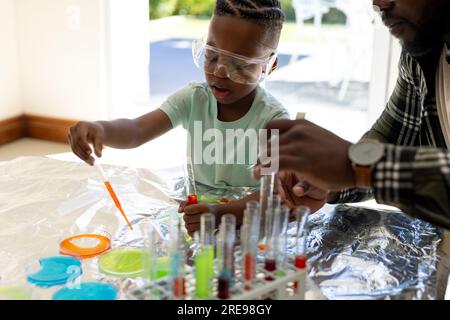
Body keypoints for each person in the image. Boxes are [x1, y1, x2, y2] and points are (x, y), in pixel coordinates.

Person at [255, 0, 450, 299]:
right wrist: (325, 181)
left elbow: (373, 164)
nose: (378, 3)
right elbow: (391, 137)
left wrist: (359, 168)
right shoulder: (423, 48)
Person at [68, 0, 289, 234]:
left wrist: (222, 213)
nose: (219, 72)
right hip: (194, 209)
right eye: (212, 56)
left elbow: (273, 193)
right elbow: (137, 130)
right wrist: (101, 130)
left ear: (270, 65)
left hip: (246, 217)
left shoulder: (274, 120)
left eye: (240, 64)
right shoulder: (194, 98)